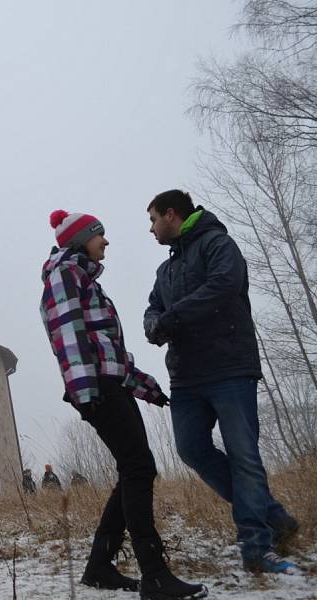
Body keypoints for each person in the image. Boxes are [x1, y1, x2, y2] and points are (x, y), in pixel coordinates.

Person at [41, 209, 207, 598]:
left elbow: (108, 352)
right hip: (97, 389)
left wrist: (147, 388)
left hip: (105, 385)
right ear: (80, 239)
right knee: (138, 468)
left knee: (134, 469)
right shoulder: (64, 274)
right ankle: (155, 575)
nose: (107, 241)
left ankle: (100, 566)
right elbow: (69, 336)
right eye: (100, 235)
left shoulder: (84, 279)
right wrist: (86, 394)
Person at [144, 190, 299, 575]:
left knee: (244, 455)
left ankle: (256, 547)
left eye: (153, 220)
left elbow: (224, 285)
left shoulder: (217, 244)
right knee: (191, 449)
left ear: (171, 213)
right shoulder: (166, 270)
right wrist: (153, 322)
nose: (150, 229)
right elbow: (153, 306)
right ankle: (273, 515)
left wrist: (172, 318)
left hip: (229, 368)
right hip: (186, 376)